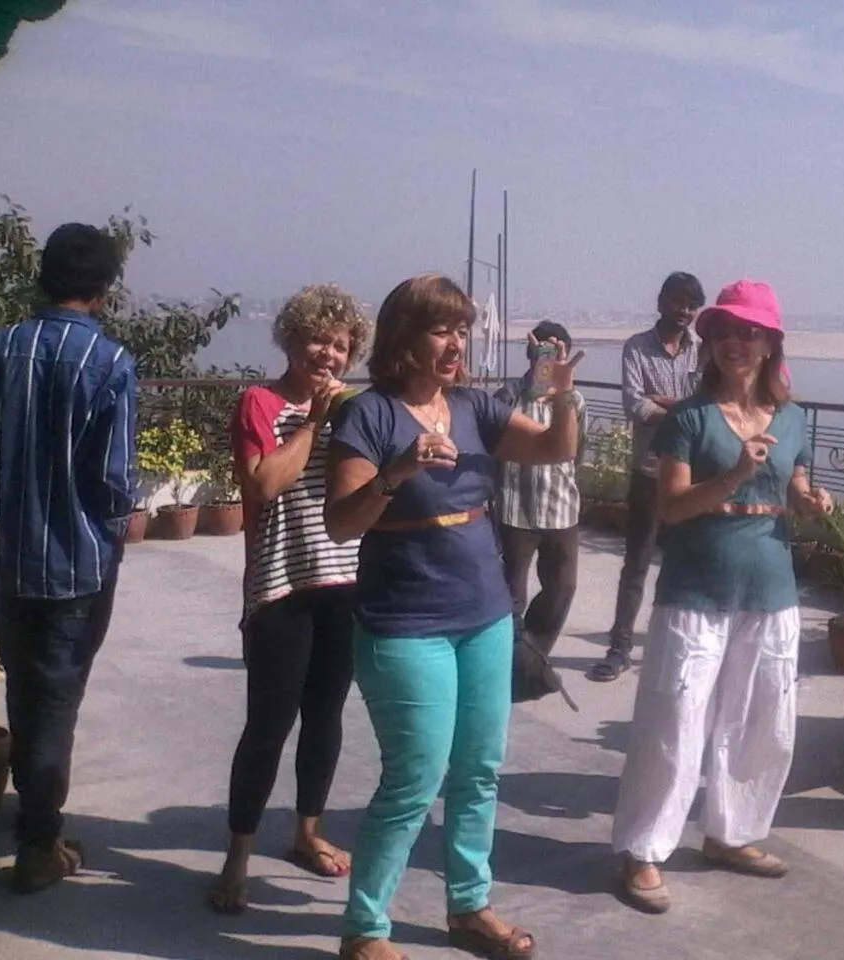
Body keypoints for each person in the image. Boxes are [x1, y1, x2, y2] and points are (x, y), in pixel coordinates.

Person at [325, 273, 582, 960]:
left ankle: (469, 905)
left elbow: (557, 450)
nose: (455, 343)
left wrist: (563, 400)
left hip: (486, 618)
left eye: (461, 329)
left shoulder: (475, 407)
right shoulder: (368, 416)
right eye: (442, 329)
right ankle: (366, 930)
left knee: (478, 771)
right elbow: (343, 523)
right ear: (404, 339)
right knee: (414, 778)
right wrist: (396, 472)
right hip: (405, 627)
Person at [610, 279, 833, 913]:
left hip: (771, 590)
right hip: (695, 592)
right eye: (725, 331)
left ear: (769, 343)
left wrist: (812, 502)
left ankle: (732, 834)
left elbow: (796, 487)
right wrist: (734, 473)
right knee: (673, 724)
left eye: (749, 331)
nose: (736, 341)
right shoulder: (687, 417)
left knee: (762, 721)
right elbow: (672, 508)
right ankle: (644, 851)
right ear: (710, 342)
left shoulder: (792, 419)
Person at [0, 223, 136, 893]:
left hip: (11, 561)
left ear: (44, 276)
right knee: (57, 699)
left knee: (27, 688)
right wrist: (110, 535)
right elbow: (115, 480)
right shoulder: (109, 363)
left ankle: (40, 826)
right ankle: (39, 843)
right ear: (102, 288)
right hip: (78, 568)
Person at [208, 285, 373, 914]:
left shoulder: (356, 408)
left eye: (341, 344)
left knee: (325, 716)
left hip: (343, 582)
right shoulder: (260, 401)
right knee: (268, 725)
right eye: (318, 340)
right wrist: (313, 422)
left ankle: (307, 832)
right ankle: (237, 857)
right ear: (291, 338)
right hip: (279, 585)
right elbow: (264, 482)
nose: (328, 354)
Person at [589, 271, 705, 683]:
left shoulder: (702, 352)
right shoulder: (637, 348)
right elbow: (634, 408)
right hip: (649, 473)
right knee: (636, 566)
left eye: (691, 305)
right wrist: (684, 409)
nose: (684, 311)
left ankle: (674, 649)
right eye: (678, 302)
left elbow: (708, 408)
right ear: (661, 302)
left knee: (686, 566)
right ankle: (619, 649)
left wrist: (667, 405)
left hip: (691, 477)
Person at [493, 320, 588, 704]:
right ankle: (512, 666)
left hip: (561, 508)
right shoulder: (507, 396)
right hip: (516, 508)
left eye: (556, 350)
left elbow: (575, 453)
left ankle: (529, 661)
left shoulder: (574, 401)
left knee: (562, 588)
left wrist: (559, 385)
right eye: (542, 349)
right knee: (511, 596)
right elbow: (494, 446)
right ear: (530, 350)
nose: (549, 356)